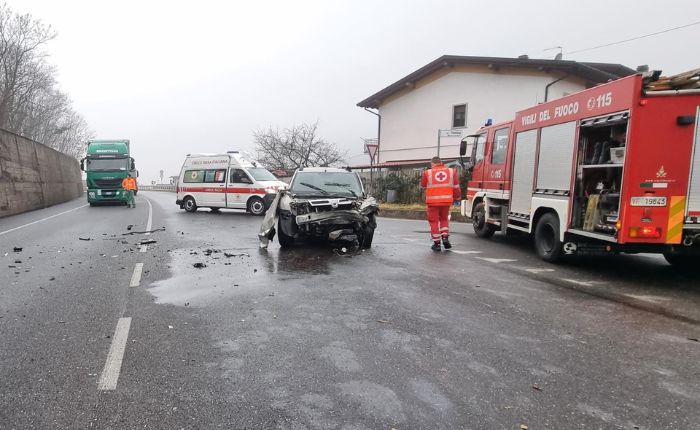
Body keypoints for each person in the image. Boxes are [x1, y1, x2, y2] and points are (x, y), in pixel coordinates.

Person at [420, 156, 461, 251]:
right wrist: (457, 199)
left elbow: (423, 186)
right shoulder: (452, 172)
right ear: (441, 162)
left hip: (432, 202)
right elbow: (456, 187)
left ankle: (437, 243)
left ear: (432, 164)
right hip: (446, 201)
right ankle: (445, 237)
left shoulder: (428, 173)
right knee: (444, 219)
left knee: (434, 221)